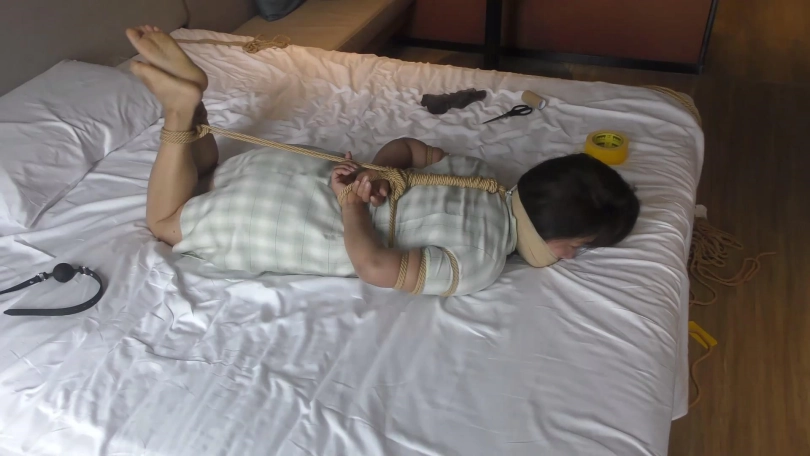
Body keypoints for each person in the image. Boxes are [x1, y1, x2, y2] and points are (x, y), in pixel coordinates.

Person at [125, 26, 640, 296]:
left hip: (288, 171)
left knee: (207, 171)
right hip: (283, 220)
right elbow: (373, 267)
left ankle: (194, 104)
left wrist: (374, 171)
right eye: (576, 246)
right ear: (551, 228)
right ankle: (179, 111)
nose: (569, 258)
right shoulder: (480, 261)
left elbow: (408, 147)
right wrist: (353, 203)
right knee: (165, 222)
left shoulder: (482, 175)